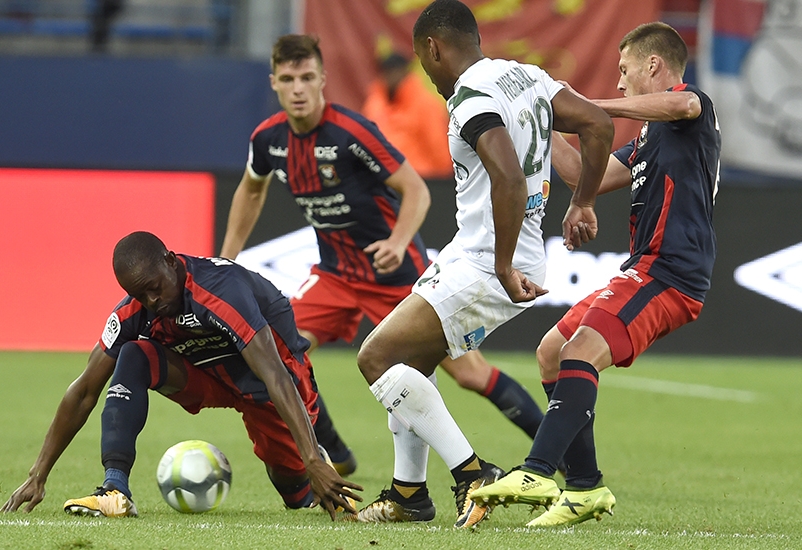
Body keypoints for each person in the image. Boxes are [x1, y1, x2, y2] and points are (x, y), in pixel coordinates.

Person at [221, 34, 550, 491]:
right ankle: (336, 453)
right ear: (274, 82)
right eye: (289, 79)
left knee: (470, 374)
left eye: (308, 78)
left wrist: (397, 241)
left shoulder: (351, 132)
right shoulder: (268, 139)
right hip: (335, 274)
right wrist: (228, 259)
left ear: (323, 80)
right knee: (278, 352)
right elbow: (251, 189)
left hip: (394, 273)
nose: (299, 88)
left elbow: (414, 189)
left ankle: (552, 453)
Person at [354, 0, 614, 529]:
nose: (427, 75)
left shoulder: (471, 97)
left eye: (424, 63)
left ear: (433, 49)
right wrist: (583, 200)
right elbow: (598, 122)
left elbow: (511, 179)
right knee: (411, 367)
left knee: (377, 359)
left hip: (489, 262)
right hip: (477, 252)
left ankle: (472, 474)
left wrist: (500, 266)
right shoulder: (524, 76)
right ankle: (409, 493)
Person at [471, 21, 721, 527]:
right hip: (644, 268)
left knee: (581, 348)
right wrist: (536, 123)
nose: (622, 83)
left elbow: (682, 105)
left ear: (654, 64)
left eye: (625, 71)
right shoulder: (652, 135)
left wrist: (592, 107)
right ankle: (585, 488)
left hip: (671, 274)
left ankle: (538, 471)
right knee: (550, 352)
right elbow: (586, 173)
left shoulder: (692, 108)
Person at [0, 231, 362, 520]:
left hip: (269, 385)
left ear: (171, 262)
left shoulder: (221, 290)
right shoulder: (135, 312)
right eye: (139, 294)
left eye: (155, 287)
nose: (152, 300)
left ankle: (315, 467)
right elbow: (82, 392)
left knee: (296, 493)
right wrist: (38, 474)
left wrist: (312, 459)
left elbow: (276, 375)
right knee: (133, 354)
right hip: (207, 375)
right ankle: (115, 488)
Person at [361, 51, 453, 180]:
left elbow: (440, 151)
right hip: (382, 182)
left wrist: (440, 187)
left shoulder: (425, 104)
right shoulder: (374, 104)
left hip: (422, 181)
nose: (391, 75)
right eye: (387, 71)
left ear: (405, 71)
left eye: (395, 70)